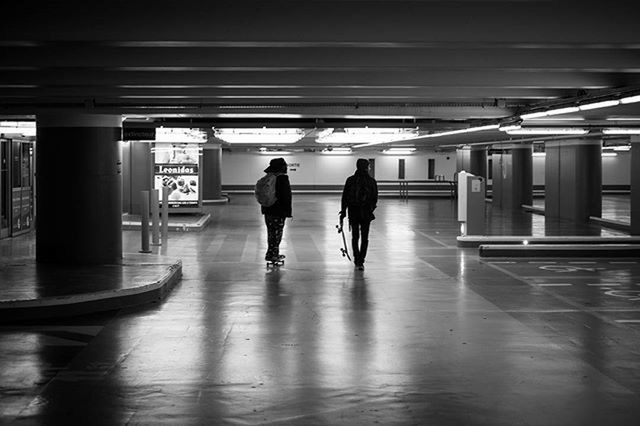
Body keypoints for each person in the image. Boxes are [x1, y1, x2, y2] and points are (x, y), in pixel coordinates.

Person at [340, 158, 378, 270]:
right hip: (366, 213)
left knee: (355, 236)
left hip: (353, 212)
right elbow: (375, 198)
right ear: (366, 167)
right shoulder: (371, 181)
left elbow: (344, 197)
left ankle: (356, 259)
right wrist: (370, 209)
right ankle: (361, 260)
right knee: (365, 237)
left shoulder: (350, 180)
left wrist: (343, 212)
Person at [261, 157, 292, 262]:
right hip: (278, 212)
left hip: (268, 210)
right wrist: (288, 212)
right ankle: (274, 255)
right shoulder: (282, 179)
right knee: (277, 233)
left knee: (271, 233)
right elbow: (286, 196)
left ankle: (270, 253)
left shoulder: (268, 178)